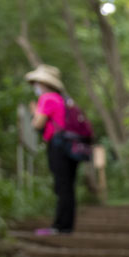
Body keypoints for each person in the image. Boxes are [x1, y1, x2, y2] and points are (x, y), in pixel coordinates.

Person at [26, 64, 78, 235]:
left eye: (36, 84)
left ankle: (59, 226)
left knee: (61, 186)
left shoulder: (47, 98)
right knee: (68, 186)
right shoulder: (63, 99)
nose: (35, 87)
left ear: (42, 83)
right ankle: (66, 226)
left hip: (58, 144)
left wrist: (34, 112)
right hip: (72, 145)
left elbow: (38, 124)